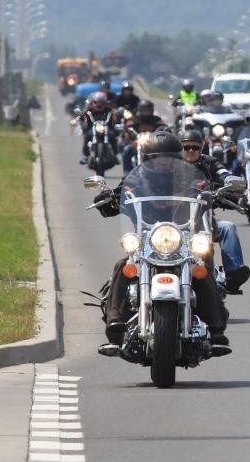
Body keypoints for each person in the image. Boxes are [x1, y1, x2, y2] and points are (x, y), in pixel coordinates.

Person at [93, 130, 230, 355]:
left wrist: (218, 195)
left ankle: (216, 330)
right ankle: (116, 325)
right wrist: (107, 198)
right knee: (122, 266)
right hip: (147, 238)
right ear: (147, 159)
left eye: (168, 158)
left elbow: (207, 192)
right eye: (157, 158)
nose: (163, 163)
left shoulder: (190, 177)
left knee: (201, 269)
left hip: (183, 236)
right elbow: (120, 195)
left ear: (176, 158)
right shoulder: (136, 179)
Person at [179, 129, 250, 294]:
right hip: (172, 225)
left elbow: (223, 173)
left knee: (227, 227)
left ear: (201, 148)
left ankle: (233, 275)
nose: (191, 151)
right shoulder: (170, 165)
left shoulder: (208, 163)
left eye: (195, 148)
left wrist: (229, 181)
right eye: (186, 147)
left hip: (203, 223)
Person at [121, 100, 166, 174]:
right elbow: (127, 126)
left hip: (153, 145)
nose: (146, 113)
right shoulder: (135, 119)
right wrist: (127, 129)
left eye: (147, 111)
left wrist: (163, 129)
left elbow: (164, 126)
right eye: (143, 111)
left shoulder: (156, 119)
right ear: (139, 111)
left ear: (151, 110)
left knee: (164, 153)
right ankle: (127, 173)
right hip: (137, 143)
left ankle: (162, 171)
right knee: (127, 150)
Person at [77, 91, 117, 166]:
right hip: (92, 129)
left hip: (106, 129)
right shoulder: (89, 110)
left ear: (105, 103)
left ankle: (114, 154)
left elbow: (115, 117)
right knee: (86, 137)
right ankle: (86, 156)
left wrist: (116, 114)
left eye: (101, 102)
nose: (99, 104)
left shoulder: (109, 110)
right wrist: (82, 114)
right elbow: (80, 117)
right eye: (96, 102)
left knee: (113, 135)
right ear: (92, 103)